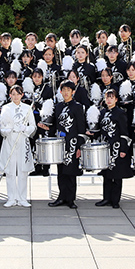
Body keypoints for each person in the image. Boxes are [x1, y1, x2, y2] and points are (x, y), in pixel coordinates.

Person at [43, 81, 86, 209]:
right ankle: (61, 197)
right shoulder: (58, 107)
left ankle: (71, 199)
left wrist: (79, 146)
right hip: (60, 144)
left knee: (71, 172)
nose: (66, 92)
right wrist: (46, 128)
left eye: (69, 90)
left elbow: (81, 127)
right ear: (60, 91)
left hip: (72, 143)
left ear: (73, 91)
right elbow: (55, 126)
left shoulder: (77, 107)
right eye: (64, 90)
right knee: (61, 172)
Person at [93, 89, 133, 209]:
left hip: (116, 146)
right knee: (106, 174)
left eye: (111, 97)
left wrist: (123, 149)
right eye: (107, 97)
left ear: (116, 99)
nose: (109, 100)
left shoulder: (120, 113)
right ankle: (106, 198)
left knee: (117, 175)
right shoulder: (102, 112)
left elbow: (124, 132)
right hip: (106, 146)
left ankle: (115, 200)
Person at [0, 85, 36, 207]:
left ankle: (22, 198)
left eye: (18, 94)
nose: (15, 96)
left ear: (22, 95)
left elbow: (33, 126)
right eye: (13, 94)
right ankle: (11, 198)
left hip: (22, 139)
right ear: (10, 95)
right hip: (9, 139)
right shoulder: (5, 108)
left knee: (22, 170)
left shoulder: (27, 108)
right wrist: (7, 130)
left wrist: (25, 128)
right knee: (10, 170)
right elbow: (1, 128)